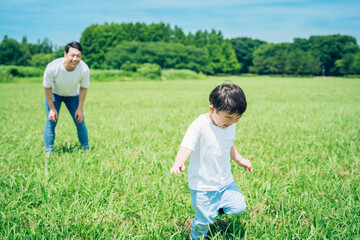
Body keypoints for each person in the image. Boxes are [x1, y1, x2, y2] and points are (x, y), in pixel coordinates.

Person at [170, 83, 253, 239]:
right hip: (203, 186)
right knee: (204, 221)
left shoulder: (229, 124)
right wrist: (179, 162)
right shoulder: (199, 126)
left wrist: (240, 159)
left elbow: (228, 144)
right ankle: (196, 237)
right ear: (212, 109)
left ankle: (216, 208)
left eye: (237, 119)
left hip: (225, 182)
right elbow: (187, 146)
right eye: (228, 118)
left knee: (239, 207)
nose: (232, 123)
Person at [43, 41, 90, 155]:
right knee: (51, 121)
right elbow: (47, 87)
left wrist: (80, 108)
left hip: (72, 96)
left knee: (80, 121)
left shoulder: (84, 69)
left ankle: (86, 149)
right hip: (55, 95)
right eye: (72, 55)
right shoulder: (52, 67)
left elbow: (83, 88)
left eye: (78, 56)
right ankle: (48, 152)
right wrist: (52, 108)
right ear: (65, 54)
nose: (75, 59)